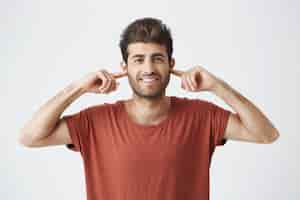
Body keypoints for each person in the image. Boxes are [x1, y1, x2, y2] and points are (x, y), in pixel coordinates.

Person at [19, 17, 280, 200]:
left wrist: (216, 86)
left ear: (171, 64)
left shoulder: (202, 116)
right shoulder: (95, 122)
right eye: (138, 59)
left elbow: (266, 134)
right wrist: (78, 87)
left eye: (157, 59)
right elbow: (30, 137)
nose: (148, 69)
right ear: (124, 68)